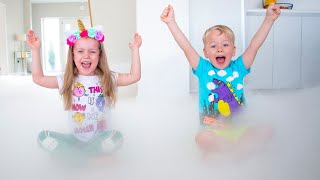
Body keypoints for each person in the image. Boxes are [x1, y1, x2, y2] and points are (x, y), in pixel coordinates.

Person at [161, 4, 280, 158]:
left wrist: (269, 19)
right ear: (205, 52)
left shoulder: (239, 67)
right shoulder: (203, 68)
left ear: (233, 50)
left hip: (239, 129)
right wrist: (171, 23)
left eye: (225, 45)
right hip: (212, 130)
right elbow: (186, 47)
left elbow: (254, 46)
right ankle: (235, 151)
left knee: (268, 130)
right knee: (201, 138)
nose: (220, 49)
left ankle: (233, 150)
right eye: (213, 46)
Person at [26, 19, 142, 161]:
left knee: (117, 137)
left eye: (92, 52)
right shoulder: (67, 79)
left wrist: (135, 50)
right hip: (75, 140)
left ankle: (76, 158)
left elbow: (134, 76)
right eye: (80, 51)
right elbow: (38, 78)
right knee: (43, 136)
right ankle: (86, 157)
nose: (86, 56)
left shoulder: (108, 78)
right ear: (73, 55)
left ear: (99, 56)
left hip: (100, 138)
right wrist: (35, 50)